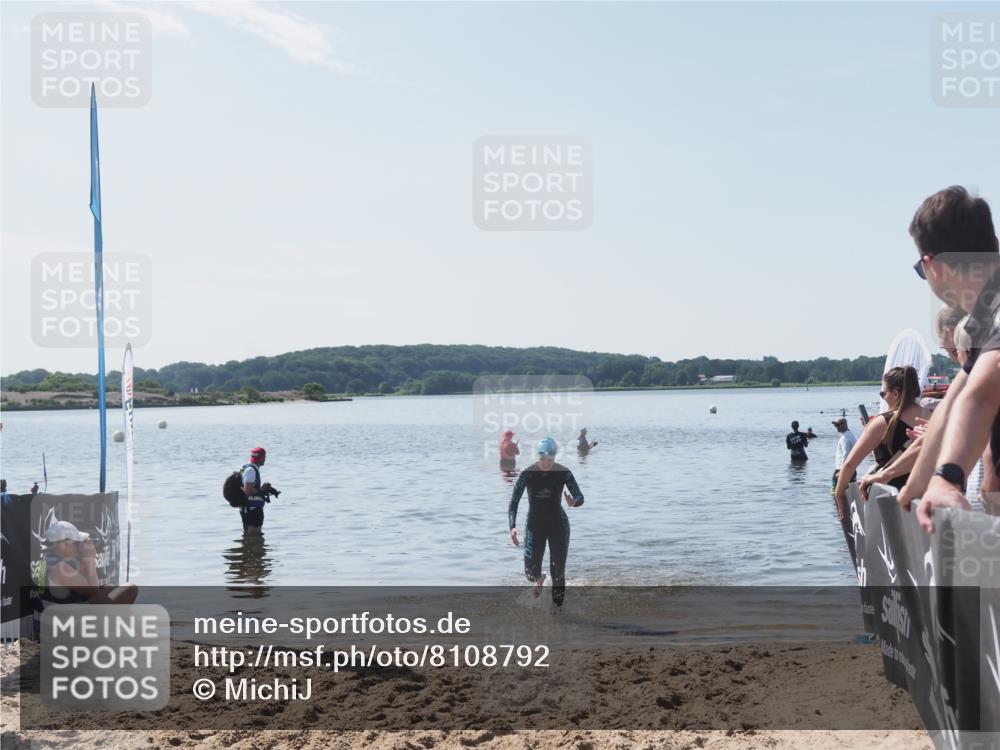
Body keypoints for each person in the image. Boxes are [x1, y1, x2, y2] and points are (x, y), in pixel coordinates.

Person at [894, 187, 1000, 529]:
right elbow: (957, 399)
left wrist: (948, 478)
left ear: (932, 266)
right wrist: (916, 485)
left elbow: (982, 394)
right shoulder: (985, 313)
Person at [835, 366, 927, 520]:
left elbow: (850, 464)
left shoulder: (882, 422)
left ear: (896, 394)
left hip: (890, 498)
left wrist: (838, 494)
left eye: (883, 393)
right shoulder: (930, 416)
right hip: (923, 497)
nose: (882, 397)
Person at [508, 437, 584, 607]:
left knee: (557, 573)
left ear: (554, 457)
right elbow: (514, 502)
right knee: (530, 573)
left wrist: (574, 502)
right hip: (535, 526)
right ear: (539, 456)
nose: (546, 463)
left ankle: (557, 612)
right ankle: (539, 578)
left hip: (558, 526)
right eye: (543, 459)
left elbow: (580, 496)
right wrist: (512, 527)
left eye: (550, 460)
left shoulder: (563, 472)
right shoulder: (528, 474)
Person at [38, 520, 137, 605]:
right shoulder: (60, 567)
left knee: (110, 588)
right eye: (77, 543)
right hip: (65, 619)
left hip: (54, 612)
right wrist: (90, 559)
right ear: (64, 544)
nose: (79, 547)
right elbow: (93, 591)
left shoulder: (48, 560)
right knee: (130, 588)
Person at [240, 447, 279, 533]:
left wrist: (266, 490)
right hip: (252, 509)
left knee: (253, 539)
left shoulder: (250, 469)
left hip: (251, 509)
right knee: (254, 535)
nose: (265, 459)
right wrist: (261, 490)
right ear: (261, 458)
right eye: (264, 457)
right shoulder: (251, 470)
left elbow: (250, 489)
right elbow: (248, 491)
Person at [831, 417, 857, 491]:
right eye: (835, 425)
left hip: (843, 470)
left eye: (838, 425)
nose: (836, 427)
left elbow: (846, 455)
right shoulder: (849, 435)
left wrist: (841, 472)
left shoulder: (845, 438)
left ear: (844, 425)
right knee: (849, 495)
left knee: (837, 494)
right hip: (850, 470)